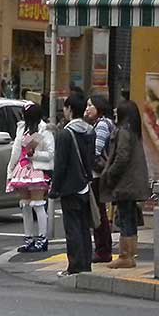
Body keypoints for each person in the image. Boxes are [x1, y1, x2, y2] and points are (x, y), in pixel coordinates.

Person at [100, 100, 151, 269]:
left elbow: (121, 157)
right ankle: (130, 254)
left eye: (117, 111)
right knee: (129, 218)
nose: (115, 113)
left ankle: (125, 256)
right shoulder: (134, 132)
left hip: (125, 183)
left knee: (125, 218)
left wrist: (110, 174)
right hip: (133, 182)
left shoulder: (123, 132)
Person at [49, 93, 96, 276]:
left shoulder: (65, 134)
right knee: (84, 227)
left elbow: (60, 164)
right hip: (85, 184)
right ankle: (85, 264)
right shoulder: (90, 131)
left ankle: (75, 266)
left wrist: (55, 188)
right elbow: (92, 159)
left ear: (69, 109)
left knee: (73, 228)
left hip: (70, 186)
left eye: (66, 108)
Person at [6, 103, 55, 252]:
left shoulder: (44, 131)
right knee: (25, 205)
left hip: (38, 170)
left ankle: (42, 239)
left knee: (38, 204)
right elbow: (15, 151)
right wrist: (10, 169)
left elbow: (51, 153)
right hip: (22, 169)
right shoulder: (22, 129)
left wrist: (35, 155)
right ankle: (29, 238)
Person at [85, 95, 116, 263]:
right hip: (101, 174)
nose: (87, 109)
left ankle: (103, 250)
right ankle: (103, 249)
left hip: (98, 175)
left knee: (99, 213)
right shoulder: (105, 123)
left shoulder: (102, 125)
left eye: (91, 105)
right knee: (101, 212)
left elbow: (95, 151)